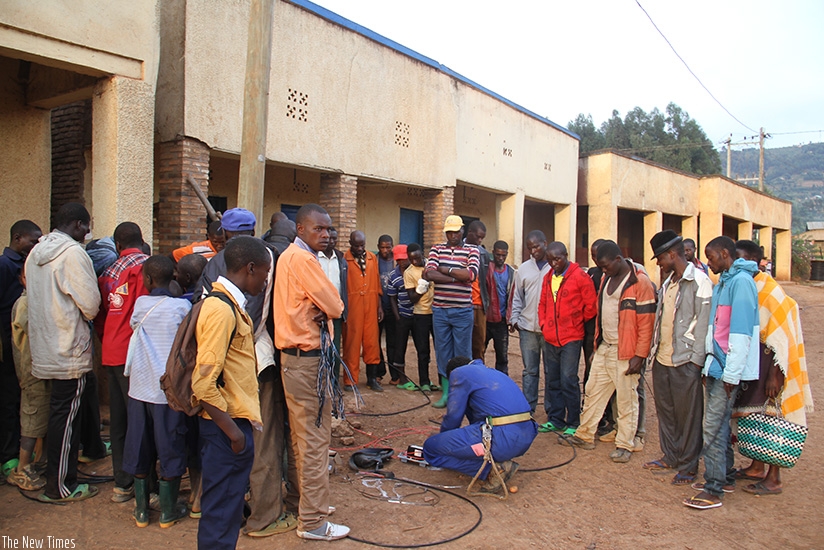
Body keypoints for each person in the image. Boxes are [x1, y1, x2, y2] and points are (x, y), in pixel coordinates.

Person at [273, 203, 349, 541]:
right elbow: (335, 305)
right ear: (300, 229)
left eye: (329, 229)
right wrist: (329, 309)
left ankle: (306, 504)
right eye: (319, 228)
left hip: (295, 360)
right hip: (307, 361)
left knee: (302, 438)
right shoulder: (302, 259)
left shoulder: (291, 256)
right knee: (315, 441)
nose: (327, 234)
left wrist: (325, 308)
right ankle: (314, 522)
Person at [192, 236, 270, 548]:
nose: (266, 280)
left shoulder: (231, 305)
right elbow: (203, 383)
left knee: (226, 511)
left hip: (233, 424)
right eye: (265, 273)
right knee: (221, 514)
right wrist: (233, 434)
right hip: (225, 429)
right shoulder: (220, 310)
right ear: (250, 268)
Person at [26, 202, 101, 502]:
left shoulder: (36, 253)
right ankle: (59, 486)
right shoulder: (73, 254)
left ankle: (57, 477)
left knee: (58, 415)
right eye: (86, 226)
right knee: (64, 418)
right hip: (69, 349)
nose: (88, 232)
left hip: (45, 346)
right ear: (78, 225)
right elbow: (91, 305)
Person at [731, 240, 813, 496]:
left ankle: (774, 477)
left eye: (742, 259)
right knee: (755, 416)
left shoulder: (772, 293)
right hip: (754, 367)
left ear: (756, 262)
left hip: (771, 369)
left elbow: (781, 339)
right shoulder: (749, 286)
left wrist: (775, 375)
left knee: (774, 417)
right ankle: (756, 466)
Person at [683, 236, 759, 510]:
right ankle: (724, 476)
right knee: (719, 425)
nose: (708, 262)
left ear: (725, 254)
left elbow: (740, 333)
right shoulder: (725, 281)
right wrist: (707, 365)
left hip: (727, 370)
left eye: (711, 257)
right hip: (716, 366)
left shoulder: (741, 284)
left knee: (712, 428)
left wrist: (731, 375)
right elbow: (716, 330)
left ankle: (714, 489)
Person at [564, 241, 656, 464]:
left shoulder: (639, 282)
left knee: (626, 399)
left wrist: (639, 356)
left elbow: (646, 324)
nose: (602, 270)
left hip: (627, 351)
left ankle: (625, 443)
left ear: (618, 259)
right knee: (593, 391)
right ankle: (585, 434)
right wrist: (597, 346)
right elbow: (602, 315)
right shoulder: (606, 278)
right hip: (606, 346)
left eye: (605, 266)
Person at [122, 255, 192, 528]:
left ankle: (141, 510)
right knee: (170, 446)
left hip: (139, 389)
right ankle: (167, 511)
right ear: (174, 277)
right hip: (168, 392)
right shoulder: (180, 308)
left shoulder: (140, 304)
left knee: (139, 445)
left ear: (147, 280)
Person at [643, 230, 712, 484]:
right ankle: (671, 455)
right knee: (667, 412)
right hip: (663, 359)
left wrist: (696, 361)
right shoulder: (669, 282)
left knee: (689, 416)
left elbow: (703, 324)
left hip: (685, 362)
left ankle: (689, 465)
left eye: (660, 258)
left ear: (672, 254)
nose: (658, 263)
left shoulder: (700, 282)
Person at [423, 356, 537, 494]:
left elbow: (454, 416)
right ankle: (496, 462)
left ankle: (492, 471)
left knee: (431, 448)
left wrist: (443, 439)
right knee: (464, 442)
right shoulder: (491, 373)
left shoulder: (459, 373)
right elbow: (477, 419)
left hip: (502, 439)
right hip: (526, 435)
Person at [99, 221, 150, 503]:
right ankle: (146, 484)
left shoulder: (108, 271)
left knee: (118, 421)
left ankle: (122, 483)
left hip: (111, 350)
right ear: (141, 241)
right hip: (134, 353)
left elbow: (104, 311)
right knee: (140, 420)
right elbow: (144, 312)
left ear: (117, 245)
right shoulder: (144, 268)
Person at [537, 241, 597, 435]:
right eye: (550, 260)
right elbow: (543, 304)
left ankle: (573, 421)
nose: (554, 263)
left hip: (571, 337)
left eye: (557, 259)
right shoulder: (548, 277)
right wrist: (544, 325)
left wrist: (575, 321)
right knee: (552, 379)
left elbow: (591, 307)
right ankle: (556, 419)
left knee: (568, 379)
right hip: (550, 338)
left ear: (566, 256)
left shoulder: (580, 277)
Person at [424, 215, 480, 408]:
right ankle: (447, 394)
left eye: (456, 231)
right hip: (440, 310)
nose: (453, 235)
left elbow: (471, 275)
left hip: (462, 310)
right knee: (443, 352)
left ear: (462, 231)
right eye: (449, 231)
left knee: (462, 354)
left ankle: (462, 396)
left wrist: (445, 270)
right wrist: (458, 277)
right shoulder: (436, 248)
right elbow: (429, 273)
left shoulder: (472, 250)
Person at [0, 219, 42, 476]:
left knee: (18, 398)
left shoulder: (27, 264)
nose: (35, 245)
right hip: (8, 343)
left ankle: (19, 450)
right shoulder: (5, 266)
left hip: (24, 345)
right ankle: (8, 456)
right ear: (18, 238)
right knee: (8, 400)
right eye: (32, 240)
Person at [6, 264, 49, 490]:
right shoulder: (24, 304)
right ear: (22, 279)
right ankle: (22, 468)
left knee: (42, 416)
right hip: (31, 368)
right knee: (32, 418)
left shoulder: (37, 301)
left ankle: (38, 461)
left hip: (41, 366)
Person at [509, 230, 551, 414]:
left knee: (551, 372)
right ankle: (528, 409)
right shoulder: (524, 269)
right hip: (527, 328)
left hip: (549, 329)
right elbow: (517, 296)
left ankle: (552, 411)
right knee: (530, 371)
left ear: (545, 243)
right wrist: (514, 318)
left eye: (536, 246)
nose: (533, 251)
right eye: (529, 248)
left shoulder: (555, 266)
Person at [343, 230, 384, 391]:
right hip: (353, 307)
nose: (360, 248)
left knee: (371, 343)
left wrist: (379, 306)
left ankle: (372, 379)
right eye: (356, 245)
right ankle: (350, 380)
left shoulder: (372, 258)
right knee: (351, 344)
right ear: (350, 243)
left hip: (371, 304)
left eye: (362, 245)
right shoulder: (344, 260)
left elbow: (377, 283)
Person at [403, 243, 437, 391]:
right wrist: (422, 286)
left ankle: (444, 382)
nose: (415, 261)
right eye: (412, 259)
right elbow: (412, 298)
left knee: (442, 349)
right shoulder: (409, 272)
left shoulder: (432, 265)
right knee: (423, 351)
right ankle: (424, 381)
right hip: (420, 315)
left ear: (422, 253)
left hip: (437, 313)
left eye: (417, 258)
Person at [317, 227, 348, 387]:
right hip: (318, 312)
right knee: (320, 351)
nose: (331, 242)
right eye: (328, 238)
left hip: (336, 312)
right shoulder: (314, 257)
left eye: (334, 239)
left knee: (334, 351)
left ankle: (333, 383)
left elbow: (344, 286)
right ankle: (321, 383)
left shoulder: (341, 259)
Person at [385, 244, 414, 388]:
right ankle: (399, 377)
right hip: (402, 315)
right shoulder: (393, 275)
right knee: (398, 347)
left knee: (423, 347)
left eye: (404, 259)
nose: (402, 262)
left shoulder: (417, 271)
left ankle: (425, 379)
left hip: (419, 314)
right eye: (399, 260)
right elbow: (392, 298)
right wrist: (398, 318)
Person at [484, 241, 514, 375]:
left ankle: (501, 381)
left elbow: (513, 297)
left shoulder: (512, 273)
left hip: (501, 321)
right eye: (498, 255)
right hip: (485, 319)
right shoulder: (486, 270)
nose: (500, 258)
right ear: (493, 253)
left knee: (502, 356)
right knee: (478, 352)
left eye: (503, 255)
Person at [464, 221, 490, 360]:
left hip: (479, 304)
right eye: (478, 237)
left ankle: (479, 373)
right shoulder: (458, 249)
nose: (480, 241)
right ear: (469, 233)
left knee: (479, 344)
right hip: (462, 304)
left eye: (482, 238)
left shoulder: (484, 254)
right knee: (462, 343)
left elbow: (486, 281)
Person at [376, 234, 396, 383]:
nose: (385, 250)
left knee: (393, 342)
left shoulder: (397, 262)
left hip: (394, 308)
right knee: (375, 341)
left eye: (388, 247)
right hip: (378, 307)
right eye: (382, 247)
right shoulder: (373, 261)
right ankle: (379, 371)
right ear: (378, 247)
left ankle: (395, 375)